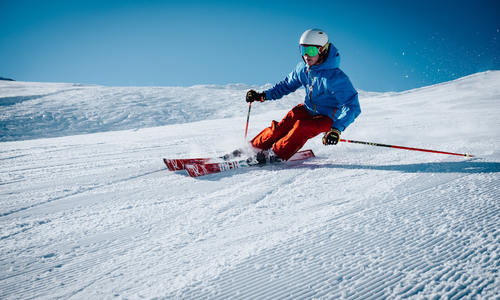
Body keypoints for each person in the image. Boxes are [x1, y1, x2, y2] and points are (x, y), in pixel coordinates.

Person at [246, 28, 361, 163]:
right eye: (303, 50)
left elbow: (352, 106)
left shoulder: (335, 78)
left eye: (311, 51)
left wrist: (336, 129)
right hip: (307, 109)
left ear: (322, 50)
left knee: (302, 127)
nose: (306, 55)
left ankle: (276, 154)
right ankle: (252, 148)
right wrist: (262, 95)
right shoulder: (303, 69)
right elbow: (286, 86)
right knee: (281, 127)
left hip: (328, 117)